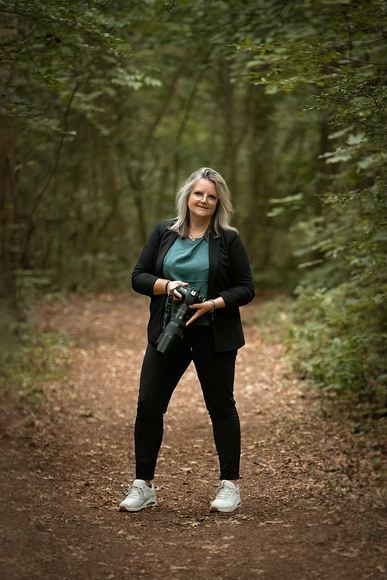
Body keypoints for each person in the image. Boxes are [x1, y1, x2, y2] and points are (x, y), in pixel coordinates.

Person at [119, 167, 255, 513]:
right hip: (168, 330)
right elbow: (139, 277)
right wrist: (170, 286)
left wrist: (213, 303)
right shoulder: (164, 231)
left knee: (221, 407)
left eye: (211, 196)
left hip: (214, 332)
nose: (204, 200)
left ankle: (229, 487)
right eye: (199, 194)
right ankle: (143, 486)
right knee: (149, 404)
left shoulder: (228, 238)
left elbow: (246, 288)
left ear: (219, 201)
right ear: (187, 196)